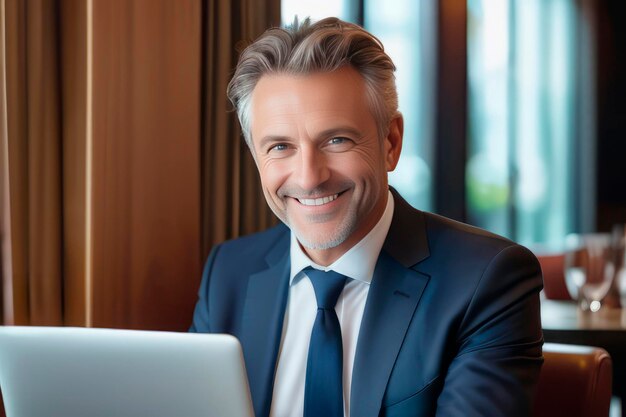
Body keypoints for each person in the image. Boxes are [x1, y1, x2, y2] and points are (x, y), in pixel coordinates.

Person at [190, 17, 543, 417]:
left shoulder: (486, 281)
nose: (309, 177)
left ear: (390, 143)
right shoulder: (228, 274)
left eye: (336, 140)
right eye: (280, 146)